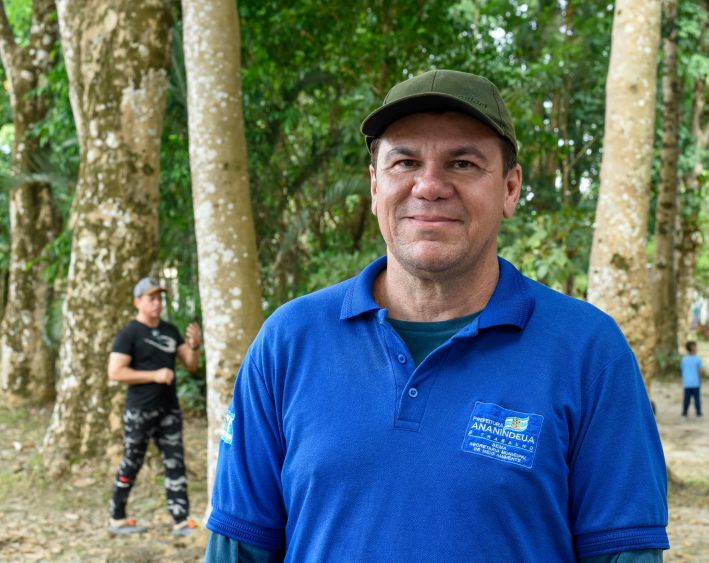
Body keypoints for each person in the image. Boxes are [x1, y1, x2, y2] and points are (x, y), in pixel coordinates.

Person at [205, 70, 669, 562]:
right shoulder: (289, 341)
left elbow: (625, 552)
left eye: (463, 163)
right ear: (375, 186)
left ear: (510, 189)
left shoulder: (587, 351)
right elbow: (239, 547)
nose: (429, 186)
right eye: (405, 161)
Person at [106, 276, 203, 536]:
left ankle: (181, 520)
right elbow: (115, 372)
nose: (157, 303)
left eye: (160, 298)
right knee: (131, 462)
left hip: (169, 409)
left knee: (175, 462)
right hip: (140, 410)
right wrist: (154, 375)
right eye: (151, 298)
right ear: (138, 302)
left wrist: (194, 345)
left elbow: (191, 365)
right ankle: (117, 517)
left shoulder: (170, 331)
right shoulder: (129, 334)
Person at [680, 341, 704, 417]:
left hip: (687, 383)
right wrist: (700, 379)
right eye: (695, 347)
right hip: (695, 382)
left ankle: (684, 412)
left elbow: (682, 370)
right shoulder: (698, 359)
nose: (696, 348)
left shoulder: (684, 359)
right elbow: (700, 371)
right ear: (692, 348)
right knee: (697, 399)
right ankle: (698, 412)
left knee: (686, 399)